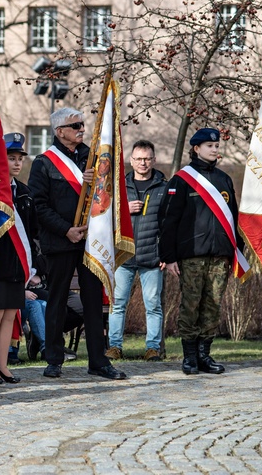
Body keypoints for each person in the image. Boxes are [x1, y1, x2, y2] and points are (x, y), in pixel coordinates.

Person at [28, 107, 126, 380]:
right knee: (57, 300)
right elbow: (39, 205)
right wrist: (66, 230)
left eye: (82, 124)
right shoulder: (43, 162)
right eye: (75, 126)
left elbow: (107, 197)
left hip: (91, 241)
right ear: (60, 131)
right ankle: (54, 359)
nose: (81, 129)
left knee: (94, 301)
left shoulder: (92, 157)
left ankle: (98, 361)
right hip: (60, 242)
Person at [159, 128, 243, 375]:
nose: (215, 149)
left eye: (217, 146)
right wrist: (169, 257)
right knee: (191, 305)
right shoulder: (182, 180)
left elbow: (233, 217)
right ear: (196, 148)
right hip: (192, 254)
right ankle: (190, 357)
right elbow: (168, 220)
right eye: (210, 146)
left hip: (219, 254)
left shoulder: (224, 179)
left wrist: (235, 251)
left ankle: (205, 355)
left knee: (213, 306)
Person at [0, 133, 42, 385]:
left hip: (18, 265)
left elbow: (33, 233)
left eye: (19, 159)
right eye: (10, 158)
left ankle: (3, 365)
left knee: (9, 315)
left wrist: (33, 264)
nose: (16, 163)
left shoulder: (24, 193)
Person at [106, 139, 167, 362]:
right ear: (131, 160)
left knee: (153, 306)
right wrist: (123, 210)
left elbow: (169, 225)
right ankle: (114, 347)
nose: (143, 163)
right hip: (124, 256)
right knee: (118, 304)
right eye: (139, 158)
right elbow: (104, 219)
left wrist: (166, 254)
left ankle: (152, 348)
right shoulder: (119, 187)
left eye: (147, 158)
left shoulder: (164, 186)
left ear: (154, 160)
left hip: (152, 258)